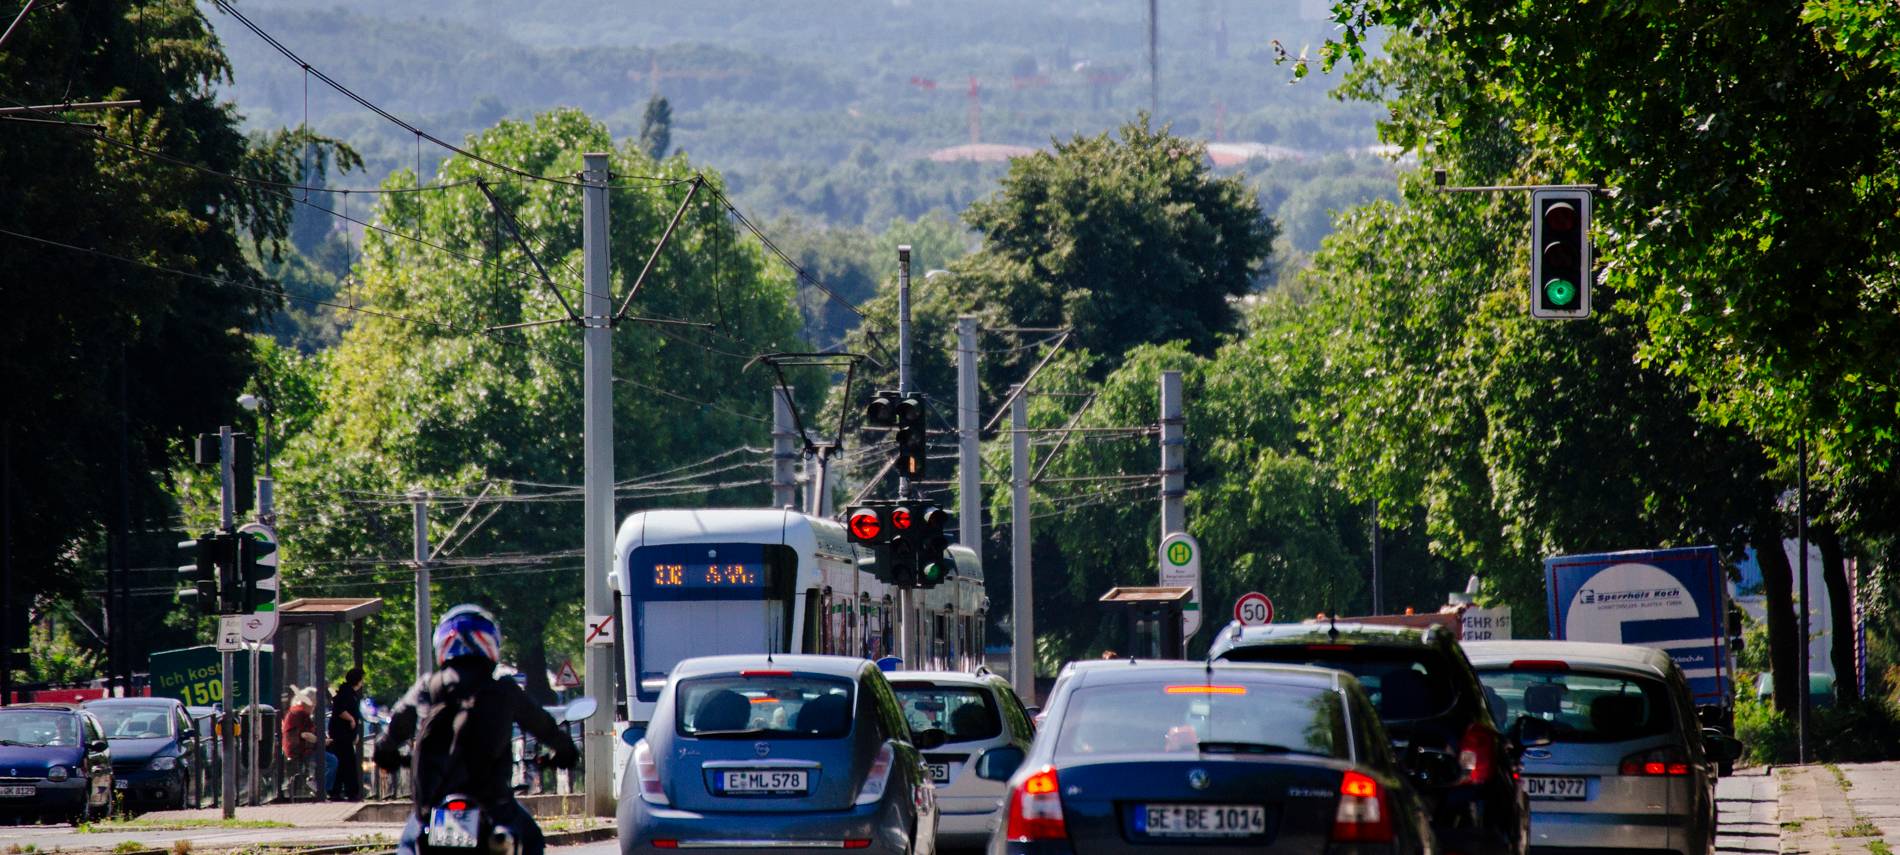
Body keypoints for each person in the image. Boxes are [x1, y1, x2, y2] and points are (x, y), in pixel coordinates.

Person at [374, 605, 577, 855]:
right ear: (490, 644)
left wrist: (385, 753)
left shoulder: (428, 686)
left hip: (435, 803)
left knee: (408, 845)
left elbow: (396, 728)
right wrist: (566, 751)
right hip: (492, 802)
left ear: (442, 644)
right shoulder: (504, 689)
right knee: (532, 840)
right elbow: (544, 726)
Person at [282, 686, 338, 798]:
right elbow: (305, 735)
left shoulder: (297, 712)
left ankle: (319, 785)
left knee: (330, 756)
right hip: (301, 750)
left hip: (300, 748)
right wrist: (321, 741)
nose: (315, 706)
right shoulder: (300, 714)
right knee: (332, 761)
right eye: (314, 703)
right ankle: (320, 787)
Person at [327, 666, 366, 801]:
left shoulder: (350, 694)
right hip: (341, 735)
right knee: (347, 763)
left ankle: (339, 791)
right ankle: (348, 791)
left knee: (345, 763)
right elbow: (339, 709)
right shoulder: (346, 693)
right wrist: (351, 719)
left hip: (346, 735)